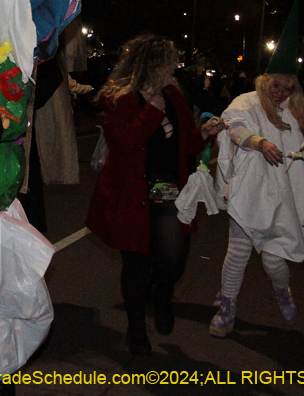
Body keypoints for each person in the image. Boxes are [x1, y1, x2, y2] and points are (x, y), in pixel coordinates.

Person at [85, 34, 225, 356]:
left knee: (173, 259)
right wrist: (150, 111)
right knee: (136, 263)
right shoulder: (117, 98)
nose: (172, 71)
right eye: (167, 64)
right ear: (149, 66)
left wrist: (202, 134)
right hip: (131, 191)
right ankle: (136, 329)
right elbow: (124, 142)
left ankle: (163, 293)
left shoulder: (173, 95)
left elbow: (185, 143)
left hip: (167, 188)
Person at [210, 1, 304, 338]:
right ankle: (228, 306)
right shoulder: (246, 102)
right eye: (275, 86)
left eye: (287, 87)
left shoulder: (299, 109)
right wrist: (259, 143)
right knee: (238, 249)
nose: (280, 93)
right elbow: (233, 128)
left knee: (274, 255)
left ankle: (281, 290)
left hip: (285, 191)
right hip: (250, 188)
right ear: (264, 81)